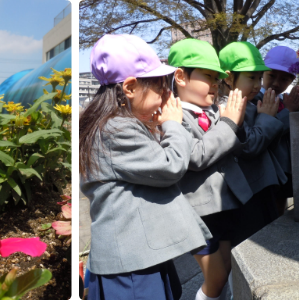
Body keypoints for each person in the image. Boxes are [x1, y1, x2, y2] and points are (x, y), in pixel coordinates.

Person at [80, 34, 211, 300]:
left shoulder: (108, 123)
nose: (165, 95)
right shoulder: (116, 129)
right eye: (159, 87)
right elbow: (170, 166)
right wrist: (173, 124)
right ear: (129, 87)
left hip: (138, 255)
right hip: (132, 264)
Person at [168, 39, 252, 300]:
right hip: (196, 213)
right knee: (215, 277)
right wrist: (229, 123)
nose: (215, 83)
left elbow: (238, 147)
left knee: (226, 269)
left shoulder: (215, 112)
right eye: (208, 76)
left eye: (217, 78)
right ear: (180, 77)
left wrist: (236, 123)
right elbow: (194, 156)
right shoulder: (171, 115)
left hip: (224, 205)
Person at [217, 42, 285, 250]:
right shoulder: (227, 107)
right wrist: (266, 118)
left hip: (261, 187)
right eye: (251, 77)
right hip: (249, 193)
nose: (257, 85)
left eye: (259, 78)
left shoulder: (252, 102)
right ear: (229, 78)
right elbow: (248, 146)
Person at [258, 46, 299, 216]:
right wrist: (288, 112)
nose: (277, 83)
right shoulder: (255, 99)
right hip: (267, 170)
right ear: (263, 73)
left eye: (284, 79)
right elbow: (265, 131)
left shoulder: (285, 100)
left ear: (292, 80)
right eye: (271, 76)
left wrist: (295, 111)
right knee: (269, 211)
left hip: (286, 168)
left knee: (280, 209)